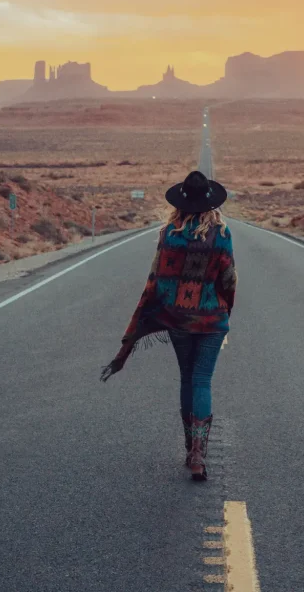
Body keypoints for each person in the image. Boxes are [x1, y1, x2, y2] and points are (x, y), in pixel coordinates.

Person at [101, 170, 237, 481]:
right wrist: (225, 308)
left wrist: (151, 316)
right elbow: (228, 279)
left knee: (187, 379)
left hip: (178, 320)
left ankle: (190, 446)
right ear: (210, 204)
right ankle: (199, 454)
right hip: (212, 321)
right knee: (202, 380)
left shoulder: (169, 235)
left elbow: (155, 281)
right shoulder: (222, 235)